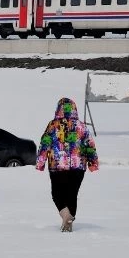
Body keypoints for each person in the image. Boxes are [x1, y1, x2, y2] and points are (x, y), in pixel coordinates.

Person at [35, 97, 98, 231]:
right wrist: (93, 163)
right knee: (72, 194)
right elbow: (89, 146)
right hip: (78, 167)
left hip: (57, 166)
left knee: (57, 193)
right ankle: (69, 218)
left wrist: (40, 163)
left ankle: (65, 215)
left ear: (59, 110)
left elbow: (45, 144)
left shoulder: (53, 125)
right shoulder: (82, 126)